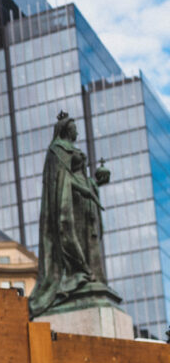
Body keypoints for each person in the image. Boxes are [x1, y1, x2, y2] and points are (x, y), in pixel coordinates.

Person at [29, 111, 115, 318]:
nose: (77, 131)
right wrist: (82, 189)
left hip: (83, 203)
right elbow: (61, 179)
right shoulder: (56, 150)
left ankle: (90, 276)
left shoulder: (69, 149)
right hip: (68, 202)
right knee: (69, 235)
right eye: (74, 128)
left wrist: (92, 185)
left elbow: (80, 175)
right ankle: (78, 273)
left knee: (89, 241)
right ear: (67, 129)